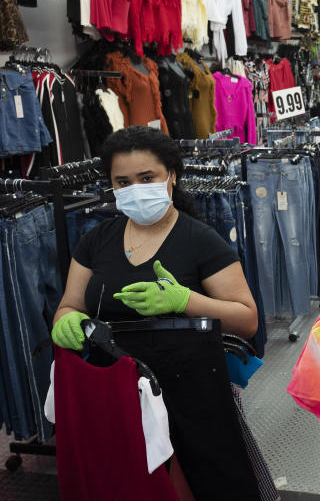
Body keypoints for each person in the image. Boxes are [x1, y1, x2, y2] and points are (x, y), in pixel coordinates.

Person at [49, 125, 260, 498]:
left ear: (172, 176)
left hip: (190, 391)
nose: (135, 189)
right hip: (117, 389)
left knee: (203, 482)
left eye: (147, 178)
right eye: (123, 181)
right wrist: (65, 320)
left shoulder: (200, 240)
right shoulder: (96, 240)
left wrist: (184, 301)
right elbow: (71, 303)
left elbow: (247, 319)